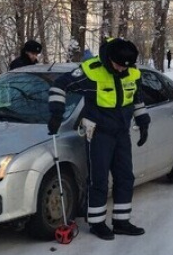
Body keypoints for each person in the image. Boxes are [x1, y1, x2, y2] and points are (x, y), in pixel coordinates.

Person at [47, 37, 150, 240]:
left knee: (125, 177)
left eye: (125, 67)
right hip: (99, 133)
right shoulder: (90, 71)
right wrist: (56, 114)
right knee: (99, 179)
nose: (122, 70)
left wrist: (143, 121)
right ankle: (96, 223)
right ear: (109, 58)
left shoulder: (132, 72)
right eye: (118, 65)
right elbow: (59, 86)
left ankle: (121, 221)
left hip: (121, 133)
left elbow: (136, 97)